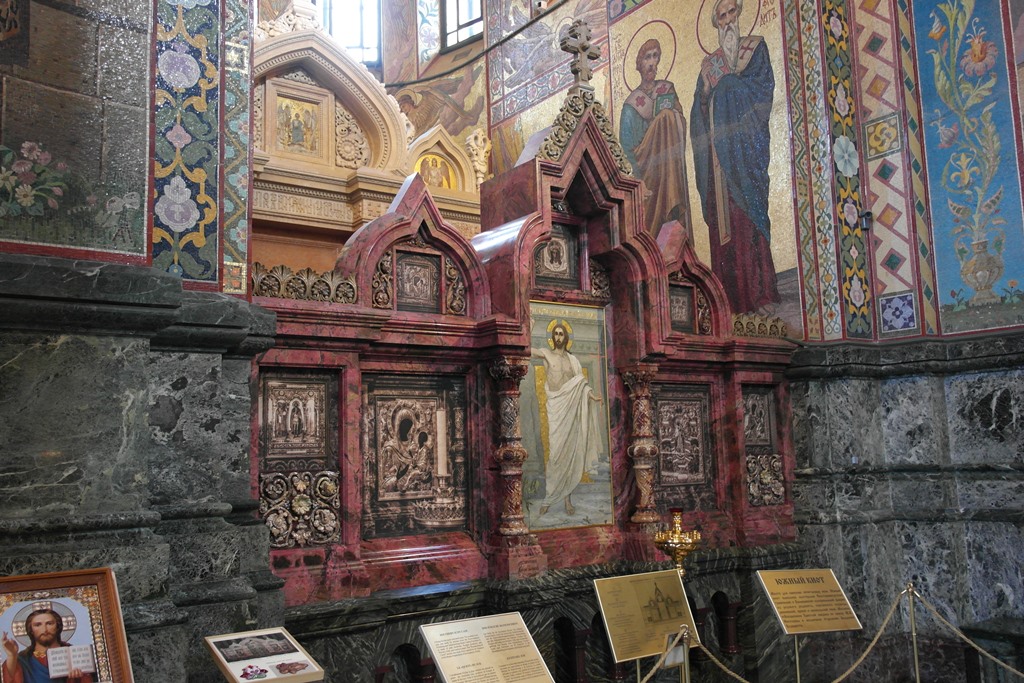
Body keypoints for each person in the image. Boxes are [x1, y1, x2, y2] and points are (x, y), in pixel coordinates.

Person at [690, 0, 781, 315]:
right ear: (715, 23)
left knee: (749, 219)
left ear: (739, 14)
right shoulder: (709, 65)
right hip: (718, 165)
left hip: (746, 156)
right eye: (721, 16)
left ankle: (760, 294)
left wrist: (728, 88)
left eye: (731, 13)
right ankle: (728, 302)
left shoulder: (755, 49)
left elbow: (762, 91)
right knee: (724, 225)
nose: (727, 21)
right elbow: (699, 116)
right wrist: (705, 92)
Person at [620, 37, 692, 237]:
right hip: (646, 173)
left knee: (668, 116)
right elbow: (626, 149)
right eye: (647, 58)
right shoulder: (631, 106)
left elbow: (680, 124)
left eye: (655, 56)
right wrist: (637, 180)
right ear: (639, 64)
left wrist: (667, 119)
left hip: (669, 169)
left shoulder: (667, 89)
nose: (652, 62)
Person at [531, 323, 603, 516]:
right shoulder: (547, 354)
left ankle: (567, 501)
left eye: (561, 334)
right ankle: (548, 499)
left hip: (571, 412)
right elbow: (527, 350)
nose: (558, 337)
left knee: (571, 455)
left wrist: (592, 396)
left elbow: (581, 385)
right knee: (556, 456)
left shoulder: (573, 360)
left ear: (566, 337)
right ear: (552, 337)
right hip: (557, 409)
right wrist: (528, 328)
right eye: (556, 334)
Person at [2, 609, 93, 683]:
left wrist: (79, 678)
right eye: (38, 625)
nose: (44, 629)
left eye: (49, 623)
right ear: (31, 630)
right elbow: (8, 679)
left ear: (58, 626)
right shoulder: (24, 659)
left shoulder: (75, 654)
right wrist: (12, 655)